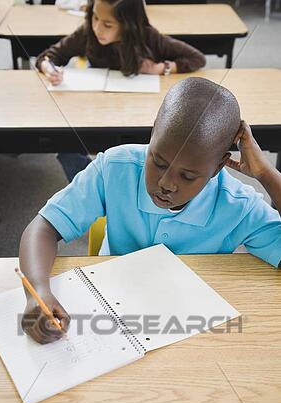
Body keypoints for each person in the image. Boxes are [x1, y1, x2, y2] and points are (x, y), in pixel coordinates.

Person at [19, 77, 281, 344]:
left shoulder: (238, 206)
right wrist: (37, 290)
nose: (166, 183)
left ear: (218, 167)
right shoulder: (115, 167)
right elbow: (44, 227)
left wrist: (267, 174)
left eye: (188, 176)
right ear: (153, 133)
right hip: (108, 308)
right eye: (158, 161)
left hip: (187, 327)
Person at [36, 0, 206, 182]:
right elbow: (48, 56)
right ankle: (90, 185)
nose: (97, 28)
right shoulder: (87, 33)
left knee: (140, 155)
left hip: (136, 115)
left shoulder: (147, 36)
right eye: (94, 17)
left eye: (107, 24)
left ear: (128, 25)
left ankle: (122, 187)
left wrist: (161, 68)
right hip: (96, 111)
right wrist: (49, 68)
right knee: (65, 144)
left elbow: (197, 58)